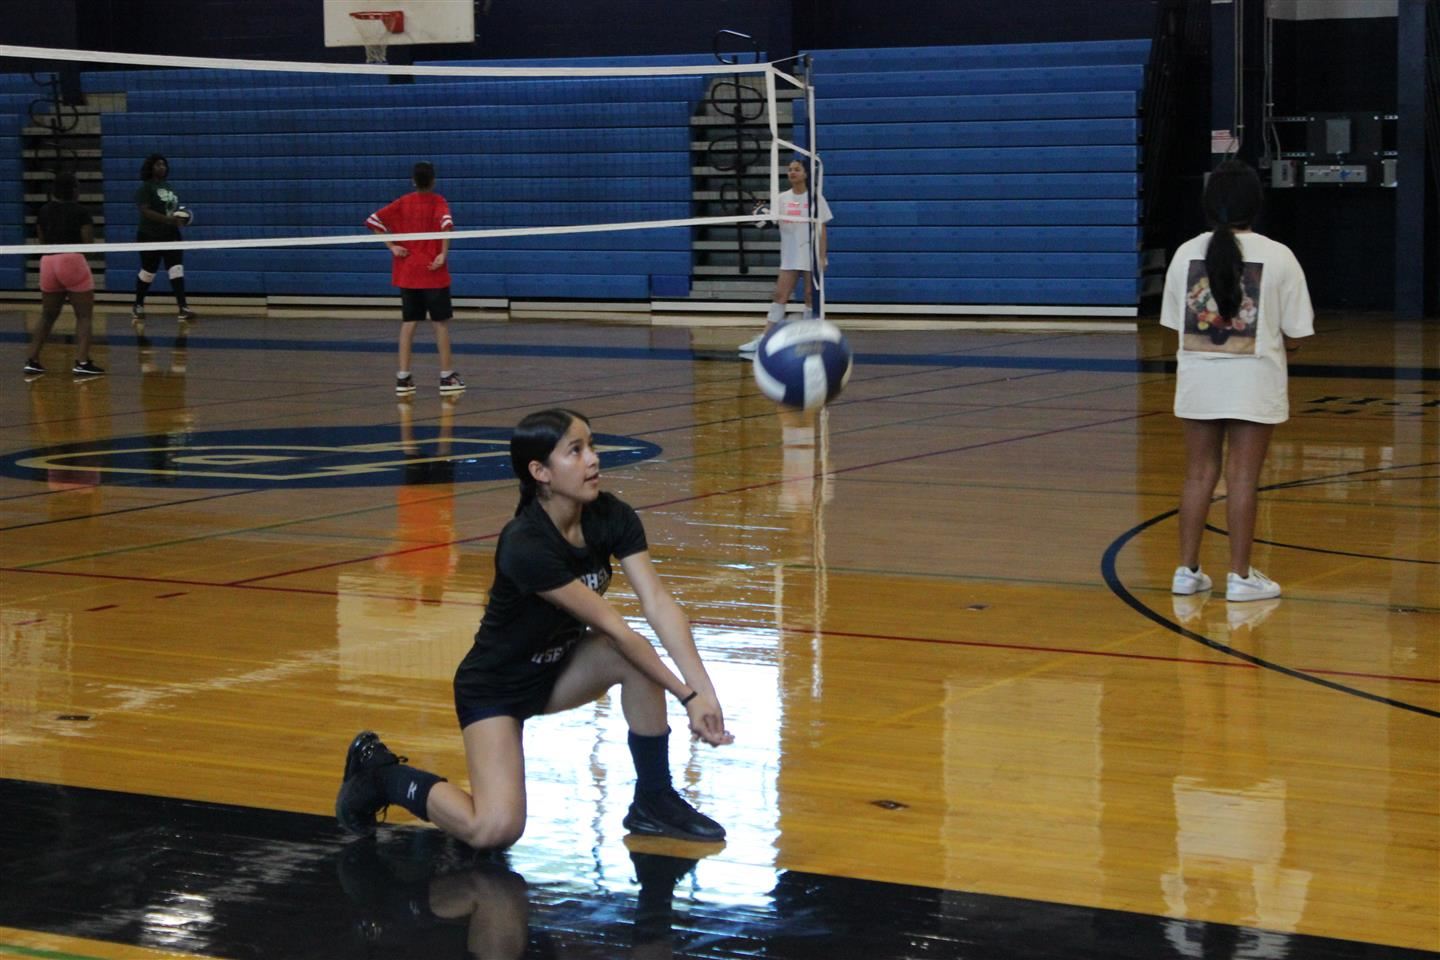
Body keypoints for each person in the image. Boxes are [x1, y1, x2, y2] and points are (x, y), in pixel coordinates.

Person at [336, 408, 733, 848]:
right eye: (576, 451)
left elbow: (658, 603)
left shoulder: (611, 516)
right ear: (540, 471)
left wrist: (704, 690)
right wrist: (687, 697)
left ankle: (653, 800)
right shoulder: (525, 543)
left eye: (592, 446)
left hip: (557, 672)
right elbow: (616, 626)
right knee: (494, 829)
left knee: (630, 659)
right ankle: (382, 776)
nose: (594, 460)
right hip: (496, 687)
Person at [1161, 159, 1314, 603]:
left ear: (1208, 205)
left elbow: (1174, 325)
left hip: (1198, 383)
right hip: (1254, 384)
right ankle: (1240, 577)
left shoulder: (1185, 254)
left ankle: (1186, 572)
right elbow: (1297, 334)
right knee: (1243, 478)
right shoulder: (1279, 255)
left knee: (1198, 476)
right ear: (1256, 203)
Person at [366, 161, 464, 396]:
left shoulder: (402, 202)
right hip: (432, 272)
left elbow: (373, 221)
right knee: (439, 324)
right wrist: (443, 254)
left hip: (408, 272)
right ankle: (447, 376)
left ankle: (403, 378)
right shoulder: (438, 202)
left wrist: (392, 247)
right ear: (433, 180)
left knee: (409, 323)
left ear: (413, 181)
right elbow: (446, 227)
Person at [738, 158, 832, 356]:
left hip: (810, 255)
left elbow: (822, 228)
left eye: (796, 169)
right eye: (790, 170)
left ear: (806, 174)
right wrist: (760, 217)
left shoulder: (815, 198)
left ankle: (809, 340)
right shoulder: (781, 198)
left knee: (809, 296)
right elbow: (771, 221)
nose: (792, 173)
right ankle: (765, 339)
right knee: (780, 296)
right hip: (789, 255)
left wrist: (822, 257)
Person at [25, 171, 103, 379]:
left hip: (48, 262)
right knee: (84, 316)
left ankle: (32, 360)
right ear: (74, 190)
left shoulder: (43, 211)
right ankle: (82, 362)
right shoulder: (80, 212)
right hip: (72, 260)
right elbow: (87, 245)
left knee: (47, 315)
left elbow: (41, 240)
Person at [131, 154, 195, 331]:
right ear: (150, 167)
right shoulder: (145, 188)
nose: (162, 167)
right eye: (158, 164)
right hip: (149, 235)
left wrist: (183, 217)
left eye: (164, 165)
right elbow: (145, 211)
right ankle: (138, 305)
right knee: (148, 272)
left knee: (176, 269)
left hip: (171, 235)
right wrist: (169, 220)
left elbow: (174, 210)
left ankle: (183, 307)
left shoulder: (169, 187)